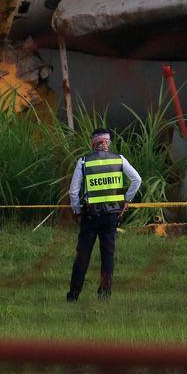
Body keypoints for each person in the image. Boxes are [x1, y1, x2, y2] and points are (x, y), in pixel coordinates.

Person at [66, 128, 142, 301]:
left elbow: (73, 192)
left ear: (93, 142)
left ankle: (73, 295)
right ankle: (105, 294)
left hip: (90, 216)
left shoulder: (84, 162)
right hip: (111, 216)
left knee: (82, 256)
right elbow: (137, 180)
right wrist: (126, 201)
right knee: (107, 256)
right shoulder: (119, 160)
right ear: (108, 142)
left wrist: (77, 211)